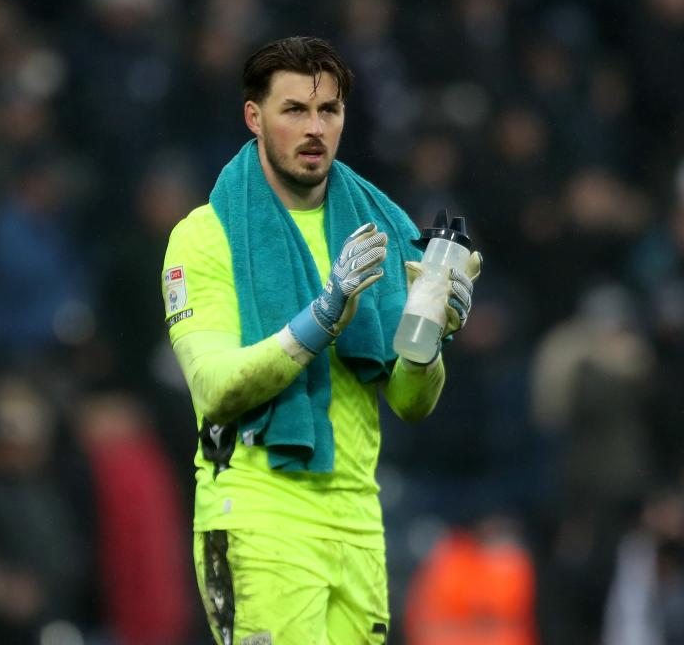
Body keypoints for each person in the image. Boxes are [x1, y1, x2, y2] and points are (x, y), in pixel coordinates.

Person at [162, 35, 482, 644]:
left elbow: (413, 403)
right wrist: (325, 313)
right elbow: (215, 387)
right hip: (260, 512)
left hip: (357, 520)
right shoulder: (206, 237)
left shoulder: (381, 231)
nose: (315, 129)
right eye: (294, 110)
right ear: (254, 117)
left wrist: (428, 337)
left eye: (328, 110)